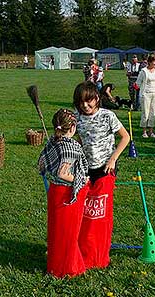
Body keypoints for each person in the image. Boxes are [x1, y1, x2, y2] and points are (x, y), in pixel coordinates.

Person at [73, 81, 130, 270]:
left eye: (89, 102)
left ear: (97, 98)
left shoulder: (108, 116)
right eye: (81, 103)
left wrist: (112, 159)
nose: (85, 106)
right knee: (85, 211)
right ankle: (83, 248)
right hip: (85, 169)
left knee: (100, 212)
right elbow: (79, 140)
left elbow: (126, 137)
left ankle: (98, 252)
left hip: (106, 169)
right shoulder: (77, 118)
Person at [38, 108, 89, 278]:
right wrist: (82, 180)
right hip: (67, 195)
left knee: (57, 232)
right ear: (73, 128)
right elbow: (62, 173)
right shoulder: (70, 148)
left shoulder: (53, 141)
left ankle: (56, 266)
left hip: (55, 192)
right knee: (68, 234)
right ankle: (67, 268)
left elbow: (42, 164)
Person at [136, 53, 155, 138]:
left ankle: (151, 131)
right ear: (149, 62)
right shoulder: (144, 71)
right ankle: (144, 131)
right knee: (145, 113)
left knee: (153, 113)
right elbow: (138, 83)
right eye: (154, 61)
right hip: (145, 94)